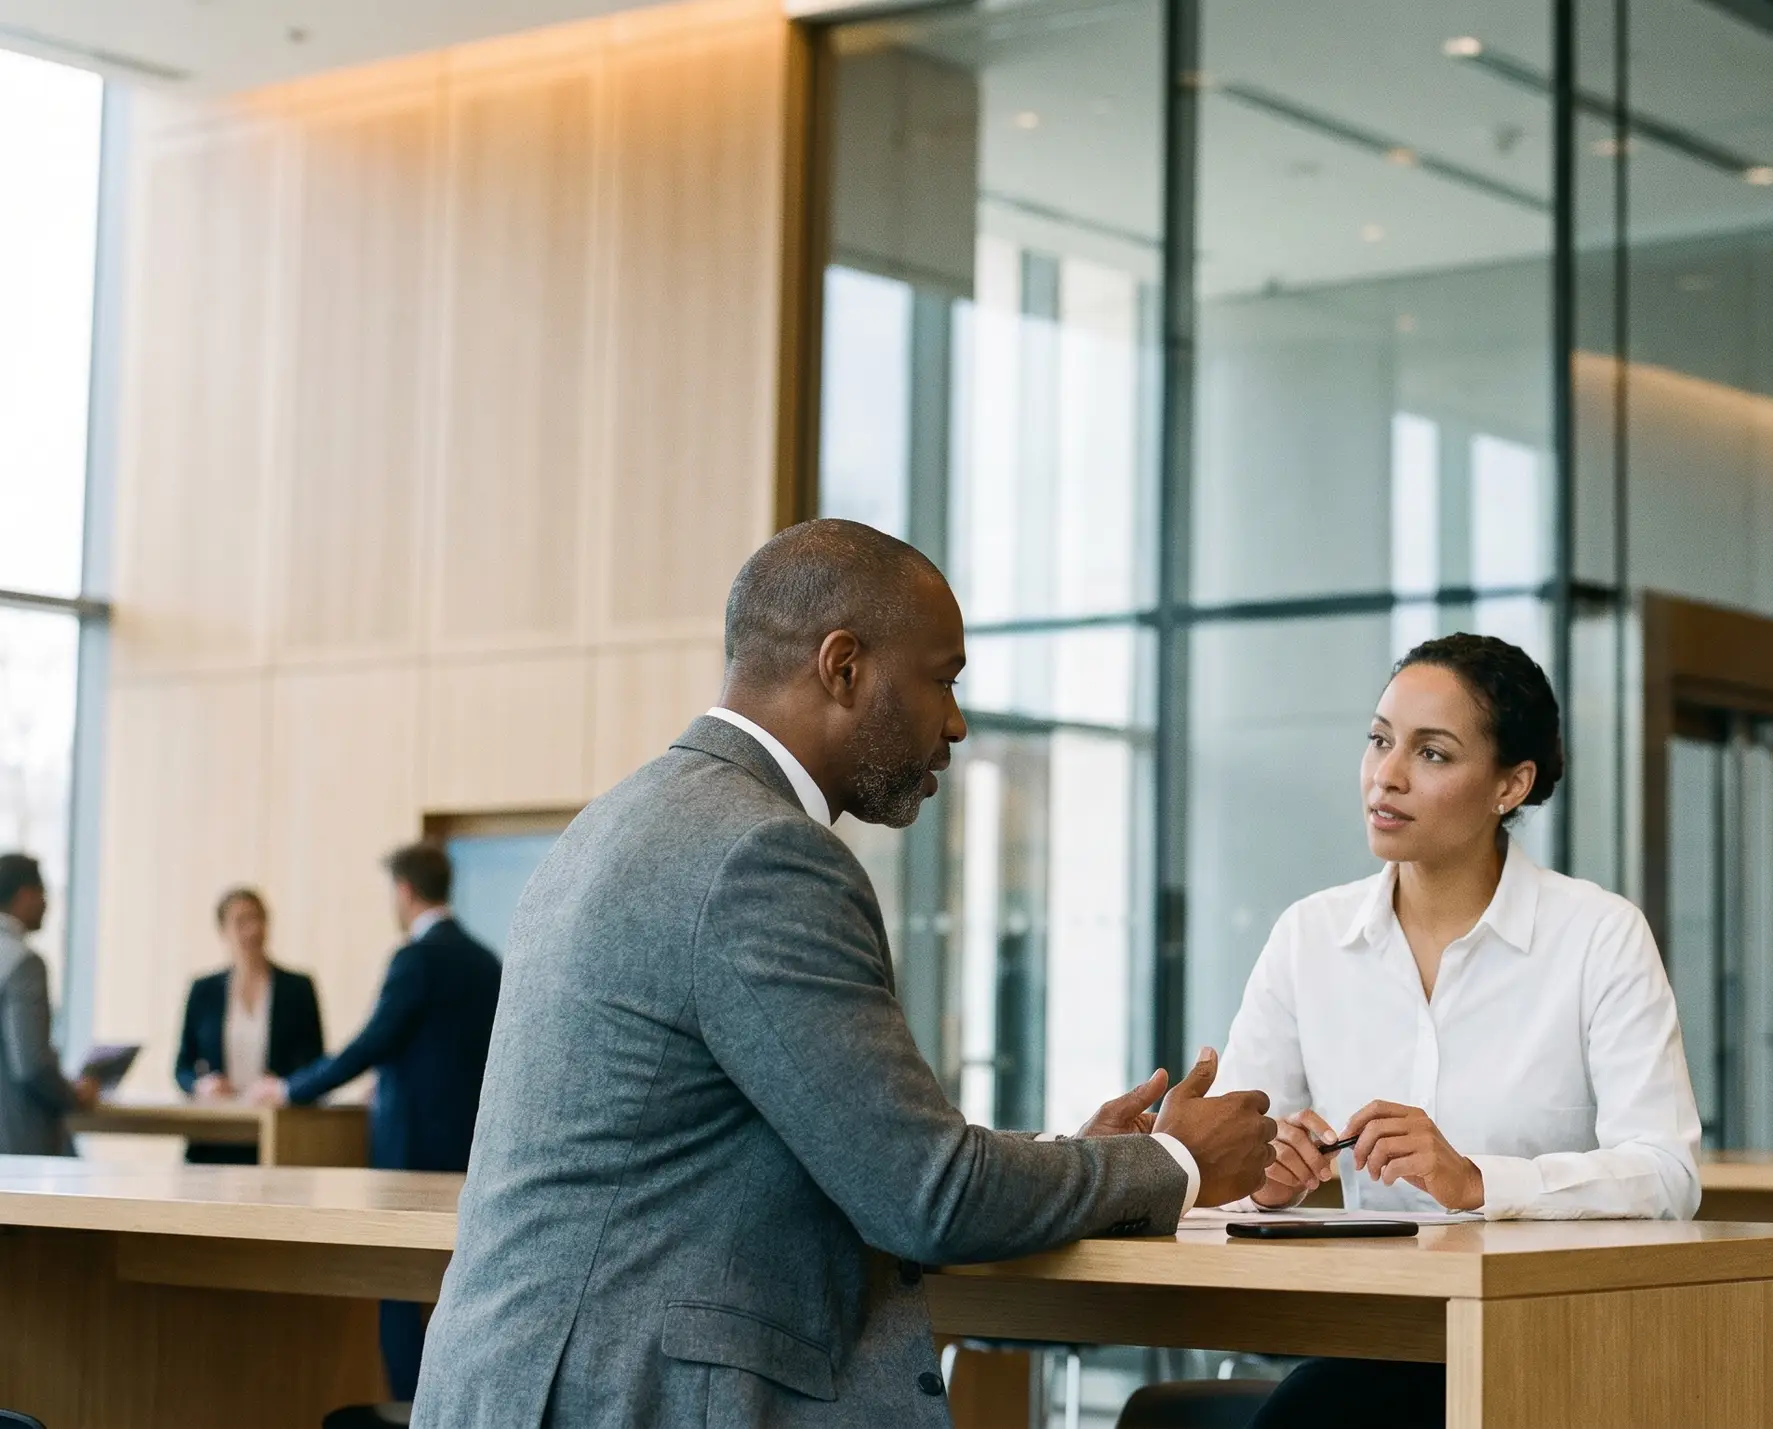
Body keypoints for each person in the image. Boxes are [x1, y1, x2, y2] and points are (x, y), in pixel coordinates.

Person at [413, 520, 1274, 1429]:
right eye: (942, 677)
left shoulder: (616, 819)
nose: (956, 721)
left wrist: (1092, 1156)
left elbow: (853, 1146)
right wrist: (1174, 1161)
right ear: (844, 666)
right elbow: (926, 1195)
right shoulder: (765, 855)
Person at [1211, 633, 1703, 1429]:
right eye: (1379, 740)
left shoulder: (1599, 935)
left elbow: (1666, 1174)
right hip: (1378, 1338)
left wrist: (1477, 1181)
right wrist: (1267, 1177)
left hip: (1553, 1344)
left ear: (1511, 783)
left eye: (1432, 754)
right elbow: (1229, 1165)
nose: (1387, 775)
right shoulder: (1310, 935)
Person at [255, 843, 501, 1405]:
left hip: (409, 1146)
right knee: (454, 1286)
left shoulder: (414, 959)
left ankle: (407, 1408)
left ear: (404, 891)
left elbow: (372, 1040)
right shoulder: (486, 960)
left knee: (394, 1284)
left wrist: (292, 1087)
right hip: (469, 1147)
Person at [172, 887, 326, 1163]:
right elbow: (182, 1066)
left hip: (279, 1130)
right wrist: (202, 1086)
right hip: (215, 1132)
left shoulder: (298, 988)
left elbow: (316, 1062)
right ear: (222, 930)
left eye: (258, 919)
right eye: (241, 921)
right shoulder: (203, 991)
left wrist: (283, 1085)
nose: (252, 929)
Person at [0, 854, 97, 1156]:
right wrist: (73, 1095)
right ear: (26, 895)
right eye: (44, 894)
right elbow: (32, 1064)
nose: (47, 905)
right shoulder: (23, 961)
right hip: (16, 1137)